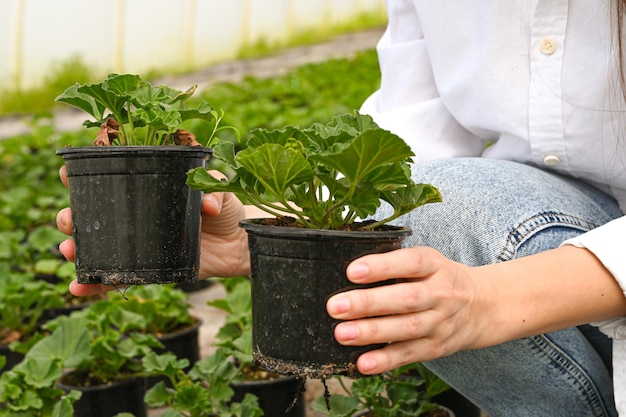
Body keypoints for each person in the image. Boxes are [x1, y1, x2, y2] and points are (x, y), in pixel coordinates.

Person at [57, 2, 626, 416]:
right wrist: (267, 234)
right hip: (538, 216)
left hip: (564, 248)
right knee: (416, 232)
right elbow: (407, 146)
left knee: (437, 220)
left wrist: (487, 300)